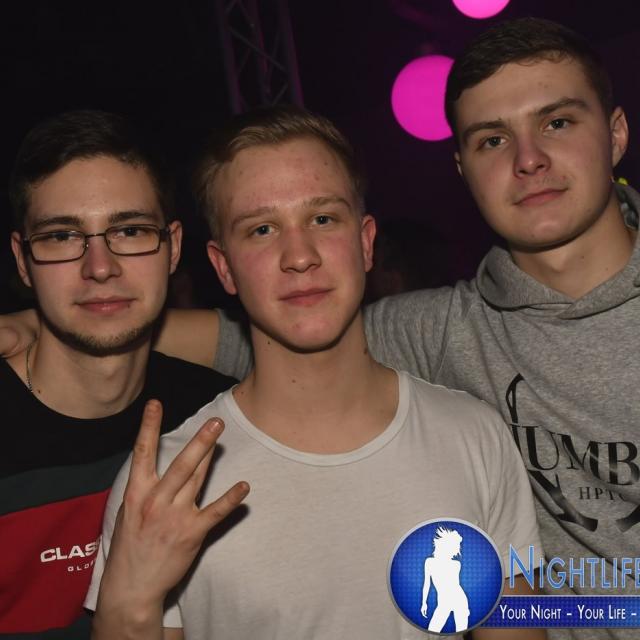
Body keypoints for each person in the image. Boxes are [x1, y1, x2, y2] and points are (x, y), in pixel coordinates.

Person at [86, 106, 543, 639]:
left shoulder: (474, 435)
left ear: (365, 242)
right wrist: (130, 601)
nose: (299, 256)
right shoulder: (168, 478)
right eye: (261, 229)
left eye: (323, 219)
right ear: (224, 267)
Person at [0, 110, 239, 639]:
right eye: (61, 236)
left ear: (173, 247)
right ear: (22, 260)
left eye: (130, 231)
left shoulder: (218, 421)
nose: (100, 267)